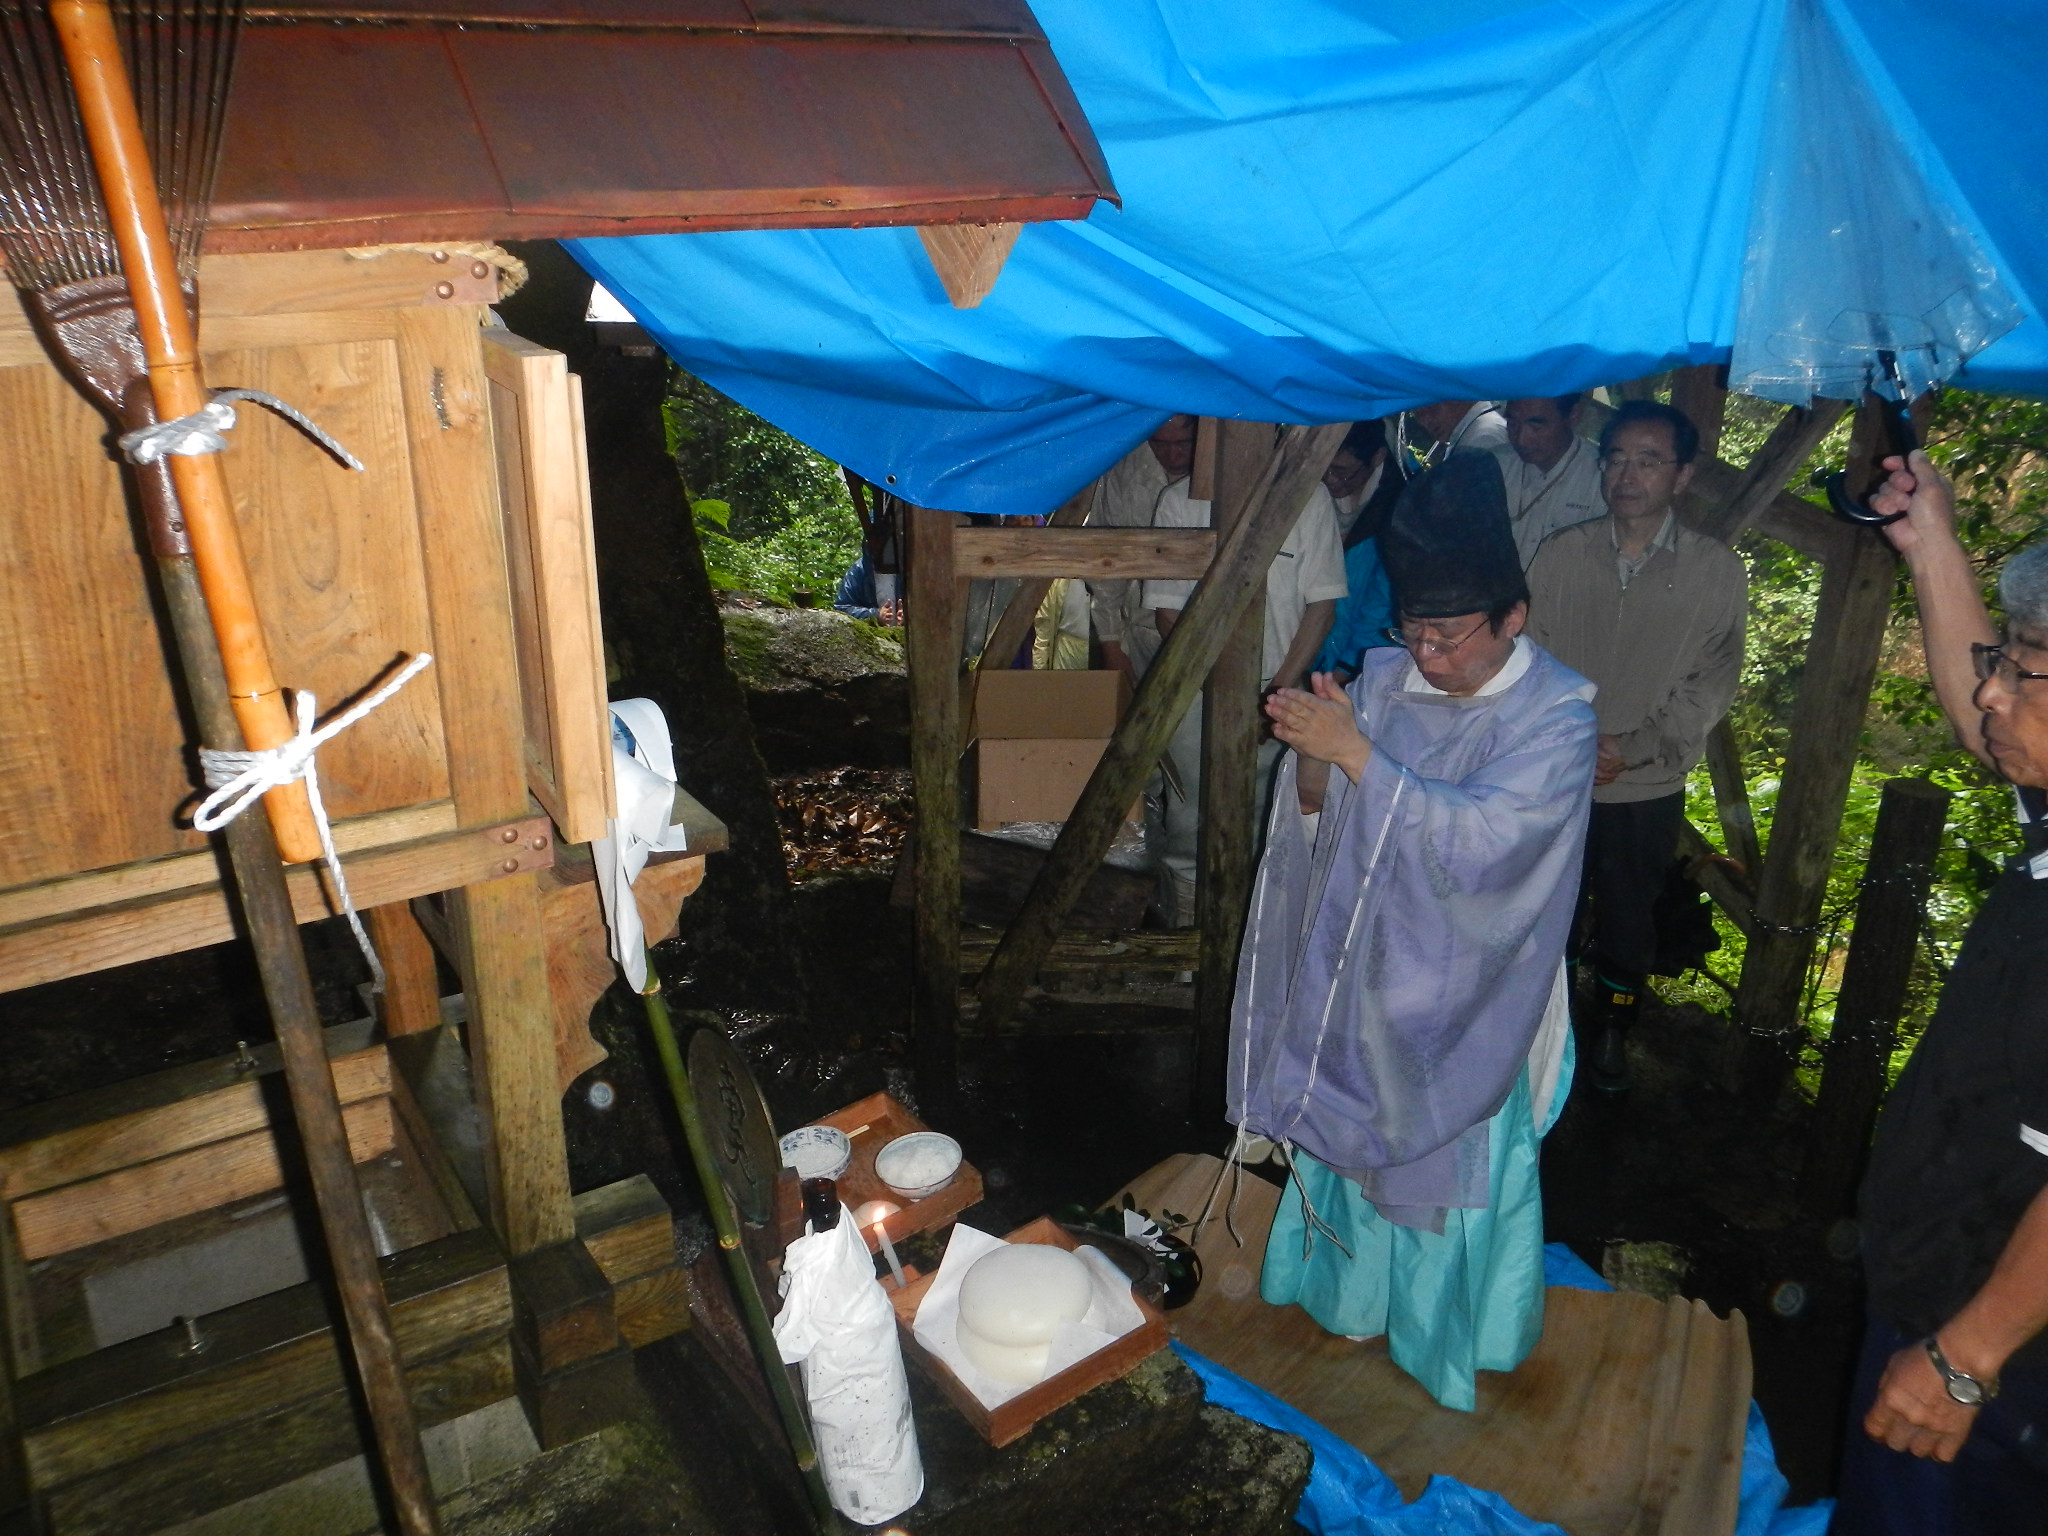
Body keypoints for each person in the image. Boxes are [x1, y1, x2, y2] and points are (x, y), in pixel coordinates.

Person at [1232, 448, 1596, 1412]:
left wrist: (1358, 756)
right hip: (1368, 973)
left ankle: (1445, 1340)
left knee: (1445, 1151)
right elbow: (1325, 820)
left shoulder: (1556, 720)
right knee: (1351, 1132)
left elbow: (1489, 846)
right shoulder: (1388, 679)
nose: (1427, 655)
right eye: (1414, 630)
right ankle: (1344, 1296)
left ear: (1513, 616)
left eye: (1449, 636)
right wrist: (1314, 756)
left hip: (1477, 985)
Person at [1829, 451, 2048, 1536]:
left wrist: (1965, 1359)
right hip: (1946, 1286)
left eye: (2026, 668)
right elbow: (1985, 724)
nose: (1990, 688)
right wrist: (1928, 542)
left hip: (1997, 1350)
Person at [1524, 400, 1746, 1092]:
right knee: (1541, 912)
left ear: (1681, 475)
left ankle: (1614, 1030)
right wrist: (1571, 740)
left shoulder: (1715, 571)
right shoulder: (1561, 554)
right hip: (1556, 780)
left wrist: (1633, 746)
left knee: (1628, 920)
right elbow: (1527, 661)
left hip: (1644, 789)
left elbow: (1711, 682)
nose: (1628, 474)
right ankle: (1534, 1034)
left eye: (1649, 460)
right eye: (1616, 457)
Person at [1140, 437, 1348, 924]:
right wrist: (1219, 686)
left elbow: (1322, 607)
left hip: (1281, 681)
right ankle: (1186, 933)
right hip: (1197, 684)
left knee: (1272, 814)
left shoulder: (1308, 497)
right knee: (1190, 817)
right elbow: (1167, 612)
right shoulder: (1178, 502)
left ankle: (1256, 938)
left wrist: (1276, 689)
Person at [1088, 415, 1193, 680]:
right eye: (1160, 444)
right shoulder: (1126, 472)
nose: (1172, 453)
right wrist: (1110, 643)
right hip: (1144, 634)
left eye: (1182, 443)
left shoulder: (1229, 467)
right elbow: (1106, 563)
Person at [1314, 418, 1405, 680]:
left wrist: (1348, 668)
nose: (1329, 480)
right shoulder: (1315, 496)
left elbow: (1383, 607)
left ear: (1377, 457)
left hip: (1364, 667)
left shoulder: (1397, 510)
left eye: (1342, 471)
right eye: (1324, 467)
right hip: (1318, 658)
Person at [1494, 394, 1606, 567]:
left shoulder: (1601, 476)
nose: (1521, 439)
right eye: (1513, 423)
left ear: (1574, 415)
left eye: (1536, 426)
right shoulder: (1495, 464)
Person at [1407, 399, 1508, 467]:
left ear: (1454, 399)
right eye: (1419, 415)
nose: (1426, 420)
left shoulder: (1484, 438)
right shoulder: (1472, 433)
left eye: (1431, 409)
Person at [832, 548, 900, 625]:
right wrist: (875, 615)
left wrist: (908, 616)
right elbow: (842, 609)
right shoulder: (858, 570)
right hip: (870, 634)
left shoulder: (908, 569)